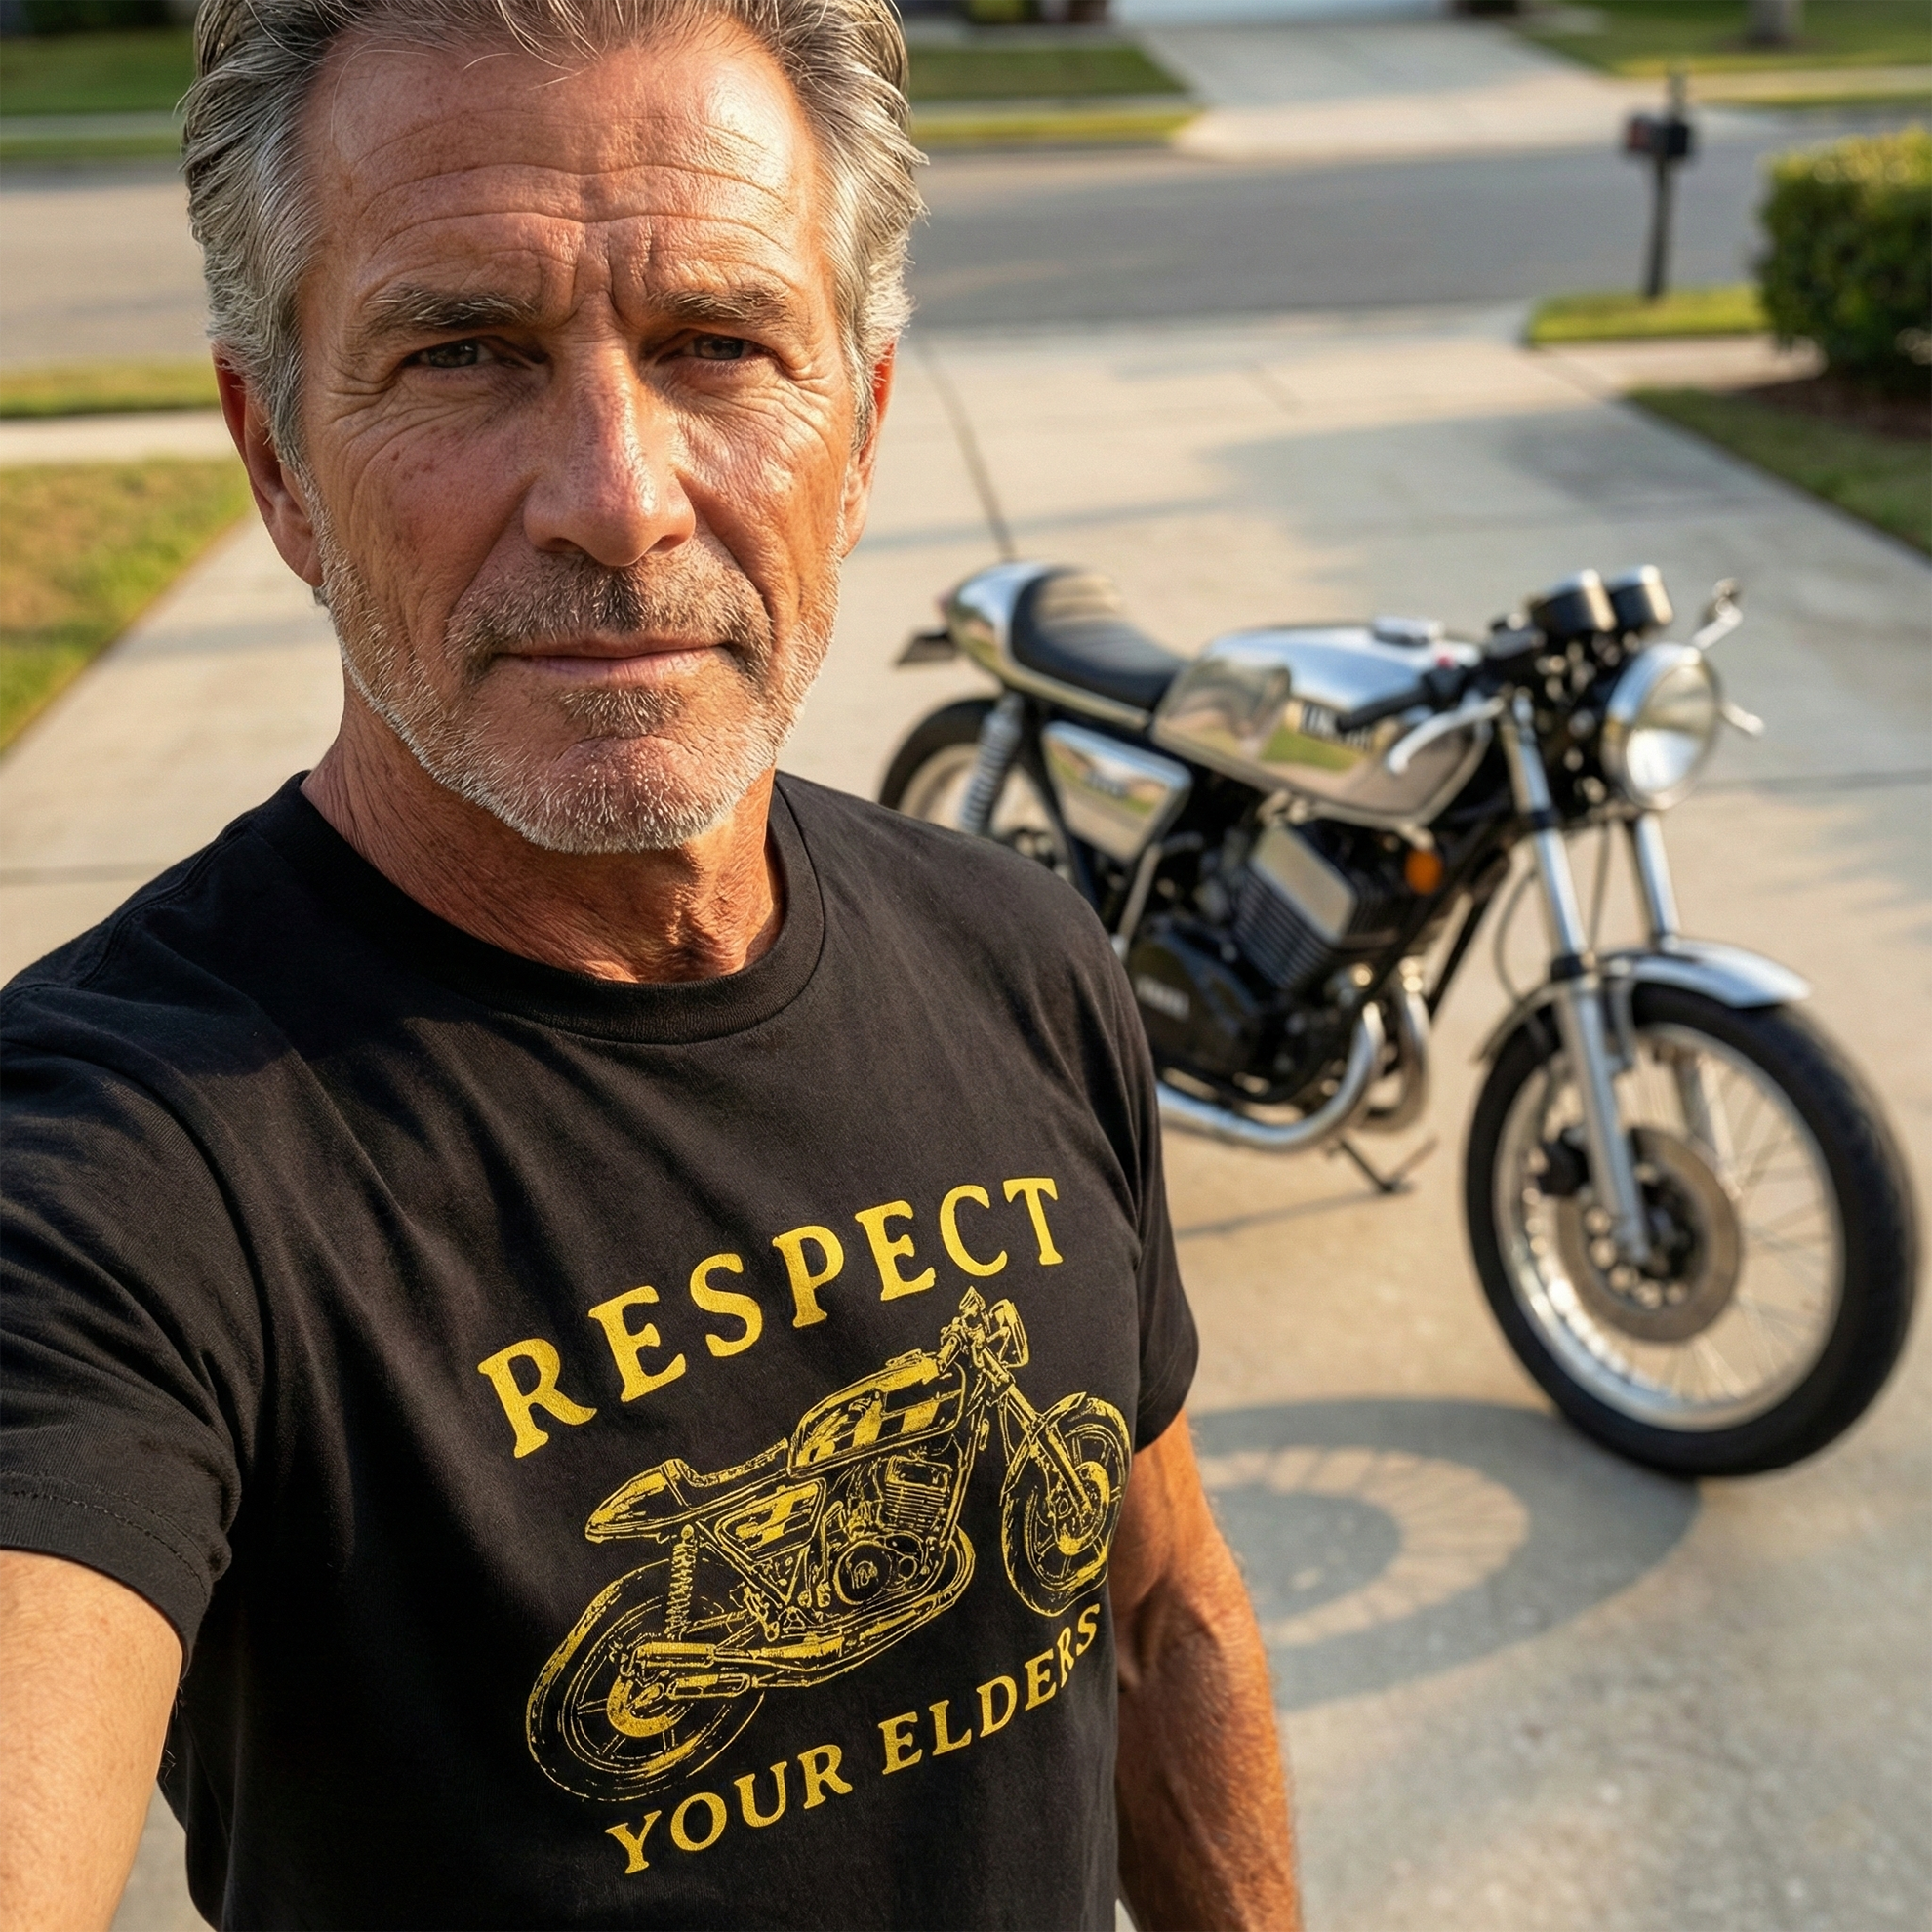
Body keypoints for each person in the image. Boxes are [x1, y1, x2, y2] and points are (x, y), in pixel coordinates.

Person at [0, 0, 1300, 1925]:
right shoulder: (116, 1165)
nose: (619, 496)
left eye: (715, 343)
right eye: (461, 352)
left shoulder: (1018, 951)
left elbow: (1168, 1616)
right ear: (277, 460)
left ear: (854, 434)